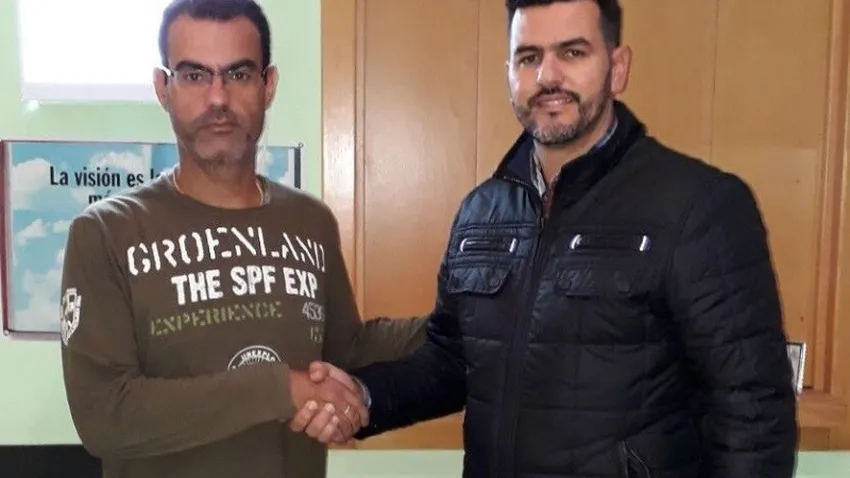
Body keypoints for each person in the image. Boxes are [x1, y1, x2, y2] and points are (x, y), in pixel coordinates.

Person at [289, 0, 799, 477]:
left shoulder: (698, 204)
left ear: (618, 67)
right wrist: (363, 396)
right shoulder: (480, 213)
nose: (547, 76)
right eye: (529, 57)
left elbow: (752, 410)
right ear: (510, 73)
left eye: (572, 53)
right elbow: (452, 361)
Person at [58, 1, 425, 477]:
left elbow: (346, 350)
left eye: (238, 74)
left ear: (267, 85)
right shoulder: (106, 233)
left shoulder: (310, 222)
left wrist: (465, 317)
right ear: (163, 87)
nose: (218, 98)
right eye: (194, 75)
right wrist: (280, 390)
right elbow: (105, 415)